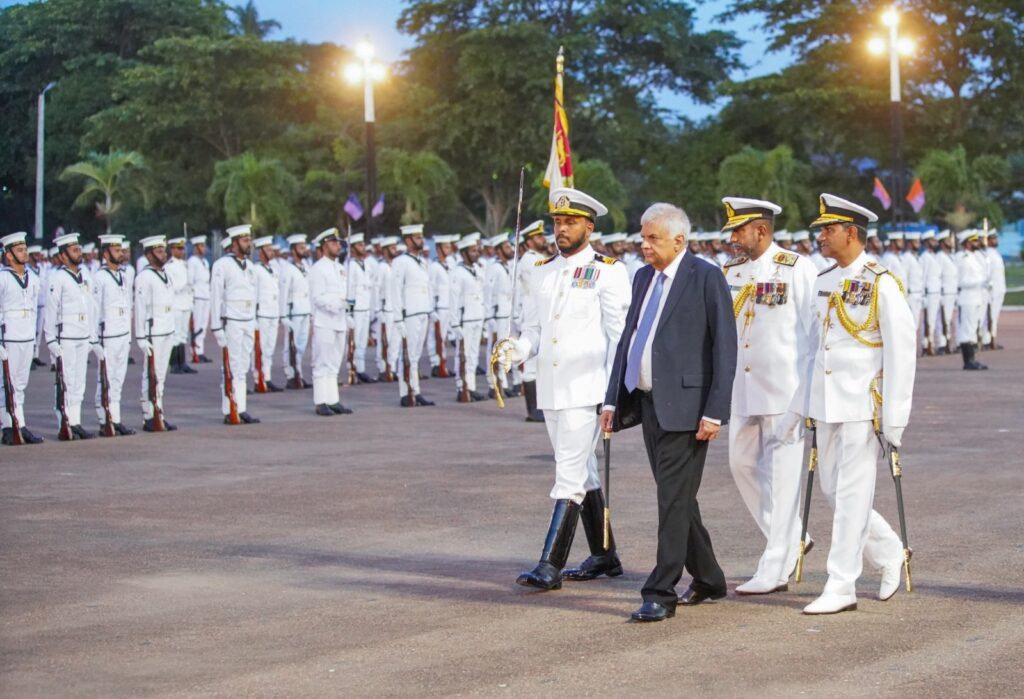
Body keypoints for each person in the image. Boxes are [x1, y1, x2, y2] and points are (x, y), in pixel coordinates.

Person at [600, 202, 736, 622]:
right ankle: (710, 578)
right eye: (642, 237)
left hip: (689, 409)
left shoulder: (706, 276)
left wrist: (716, 410)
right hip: (647, 403)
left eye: (652, 238)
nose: (644, 245)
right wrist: (611, 398)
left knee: (671, 499)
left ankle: (661, 590)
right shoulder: (642, 277)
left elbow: (724, 348)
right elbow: (629, 339)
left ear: (679, 240)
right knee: (679, 498)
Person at [499, 188, 631, 593]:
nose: (561, 229)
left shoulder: (608, 270)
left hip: (586, 389)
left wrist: (613, 396)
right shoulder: (542, 270)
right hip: (552, 389)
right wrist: (516, 349)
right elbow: (534, 331)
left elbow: (618, 338)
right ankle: (605, 555)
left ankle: (550, 564)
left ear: (589, 227)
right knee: (583, 472)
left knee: (569, 475)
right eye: (557, 222)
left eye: (570, 222)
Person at [793, 193, 915, 615]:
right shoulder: (823, 280)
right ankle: (888, 551)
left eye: (828, 229)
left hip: (864, 406)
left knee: (852, 493)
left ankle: (841, 583)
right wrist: (803, 401)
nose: (821, 236)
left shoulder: (882, 281)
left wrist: (894, 419)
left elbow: (901, 353)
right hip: (826, 404)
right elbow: (812, 347)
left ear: (851, 232)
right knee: (833, 489)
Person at [719, 197, 817, 595]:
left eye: (739, 231)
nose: (733, 239)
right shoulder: (730, 271)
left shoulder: (796, 268)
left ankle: (774, 565)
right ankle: (794, 536)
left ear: (761, 230)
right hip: (742, 388)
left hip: (784, 390)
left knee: (783, 478)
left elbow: (815, 331)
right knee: (740, 464)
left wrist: (809, 392)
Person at [44, 232, 101, 440]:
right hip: (66, 336)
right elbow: (50, 310)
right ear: (63, 255)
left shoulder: (85, 276)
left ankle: (75, 422)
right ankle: (64, 422)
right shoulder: (58, 278)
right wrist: (50, 338)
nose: (79, 252)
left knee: (79, 382)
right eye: (74, 250)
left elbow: (92, 308)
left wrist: (92, 337)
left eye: (79, 248)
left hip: (82, 335)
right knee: (65, 381)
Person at [210, 225, 261, 424]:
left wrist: (254, 318)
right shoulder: (222, 265)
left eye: (249, 239)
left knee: (243, 366)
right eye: (245, 240)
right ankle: (229, 408)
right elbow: (215, 296)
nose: (249, 243)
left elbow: (253, 294)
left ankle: (241, 407)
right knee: (231, 366)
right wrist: (216, 326)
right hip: (231, 321)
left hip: (248, 320)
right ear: (235, 243)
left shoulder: (250, 266)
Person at [0, 232, 45, 444]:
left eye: (25, 248)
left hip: (26, 337)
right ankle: (8, 426)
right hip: (9, 337)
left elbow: (35, 312)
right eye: (19, 250)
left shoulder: (33, 279)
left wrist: (35, 338)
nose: (24, 252)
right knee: (5, 384)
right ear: (8, 255)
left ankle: (20, 423)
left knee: (20, 384)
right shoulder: (3, 278)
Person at [91, 234, 135, 435]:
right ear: (106, 253)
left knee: (118, 378)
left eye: (121, 250)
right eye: (116, 250)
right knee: (106, 378)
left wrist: (128, 336)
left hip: (121, 334)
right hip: (107, 335)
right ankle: (104, 419)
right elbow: (94, 310)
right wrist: (94, 340)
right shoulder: (99, 278)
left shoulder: (123, 275)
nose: (121, 253)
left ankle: (115, 419)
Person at [308, 228, 354, 416]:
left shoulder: (341, 268)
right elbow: (318, 298)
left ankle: (333, 399)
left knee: (335, 362)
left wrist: (347, 307)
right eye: (334, 243)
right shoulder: (318, 268)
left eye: (338, 243)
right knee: (322, 362)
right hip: (325, 321)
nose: (338, 246)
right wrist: (339, 304)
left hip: (339, 320)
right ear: (325, 245)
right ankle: (320, 401)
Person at [135, 235, 178, 431]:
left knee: (161, 374)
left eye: (163, 250)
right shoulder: (145, 276)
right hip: (153, 332)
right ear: (149, 255)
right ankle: (149, 415)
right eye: (159, 251)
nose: (163, 254)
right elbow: (140, 308)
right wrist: (141, 336)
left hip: (167, 328)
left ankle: (159, 411)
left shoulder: (166, 274)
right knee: (150, 374)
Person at [391, 224, 435, 407]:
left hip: (422, 311)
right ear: (408, 240)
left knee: (415, 355)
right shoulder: (400, 262)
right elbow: (395, 291)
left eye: (421, 237)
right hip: (409, 314)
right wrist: (398, 318)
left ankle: (415, 391)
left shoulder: (422, 262)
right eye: (417, 237)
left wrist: (430, 309)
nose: (421, 240)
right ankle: (405, 392)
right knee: (408, 355)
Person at [516, 220, 548, 422]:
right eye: (538, 237)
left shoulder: (540, 258)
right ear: (529, 242)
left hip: (540, 315)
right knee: (530, 364)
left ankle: (539, 407)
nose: (543, 239)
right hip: (532, 316)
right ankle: (532, 410)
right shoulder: (529, 260)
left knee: (539, 363)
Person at [448, 234, 487, 402]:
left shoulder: (478, 269)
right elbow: (453, 299)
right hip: (465, 320)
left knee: (473, 354)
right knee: (462, 354)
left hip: (477, 317)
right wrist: (455, 323)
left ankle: (471, 387)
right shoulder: (458, 272)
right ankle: (461, 386)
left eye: (477, 250)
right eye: (472, 251)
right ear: (464, 253)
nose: (476, 253)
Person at [484, 232, 519, 398]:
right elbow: (487, 293)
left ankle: (503, 383)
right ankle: (494, 385)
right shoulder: (495, 268)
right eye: (506, 247)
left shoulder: (507, 266)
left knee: (505, 350)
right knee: (496, 351)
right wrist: (488, 316)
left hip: (507, 314)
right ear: (498, 250)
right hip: (497, 315)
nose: (510, 249)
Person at [279, 234, 313, 389]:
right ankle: (291, 374)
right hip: (293, 310)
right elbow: (283, 292)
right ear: (293, 250)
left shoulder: (306, 265)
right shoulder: (288, 269)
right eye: (301, 247)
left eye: (304, 246)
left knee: (301, 344)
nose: (304, 250)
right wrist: (283, 314)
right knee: (290, 344)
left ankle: (299, 372)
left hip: (305, 309)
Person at [252, 236, 283, 392]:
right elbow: (254, 294)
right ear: (261, 252)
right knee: (261, 347)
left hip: (273, 312)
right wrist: (254, 315)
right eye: (268, 249)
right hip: (262, 313)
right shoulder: (256, 270)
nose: (272, 252)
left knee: (270, 348)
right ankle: (258, 378)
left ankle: (267, 377)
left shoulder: (274, 270)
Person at [955, 229, 988, 370]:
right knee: (966, 329)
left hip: (977, 297)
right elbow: (960, 281)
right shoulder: (961, 258)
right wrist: (978, 282)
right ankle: (967, 360)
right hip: (967, 296)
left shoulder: (976, 257)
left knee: (973, 328)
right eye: (974, 241)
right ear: (967, 243)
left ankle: (972, 359)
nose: (977, 242)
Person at [346, 233, 376, 384]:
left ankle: (361, 369)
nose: (363, 247)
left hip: (365, 307)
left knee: (363, 341)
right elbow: (349, 289)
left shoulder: (366, 264)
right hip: (356, 308)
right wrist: (349, 311)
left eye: (363, 244)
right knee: (355, 341)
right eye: (359, 245)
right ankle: (352, 368)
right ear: (352, 248)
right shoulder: (351, 266)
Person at [166, 236, 197, 375]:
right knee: (176, 334)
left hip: (186, 303)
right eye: (178, 248)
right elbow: (172, 287)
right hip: (176, 304)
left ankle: (182, 362)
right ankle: (174, 364)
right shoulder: (169, 267)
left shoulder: (185, 264)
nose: (181, 251)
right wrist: (184, 285)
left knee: (184, 334)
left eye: (182, 248)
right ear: (172, 249)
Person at [428, 234, 456, 379]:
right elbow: (430, 289)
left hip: (448, 305)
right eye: (446, 247)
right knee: (435, 335)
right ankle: (435, 363)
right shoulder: (434, 267)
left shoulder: (450, 265)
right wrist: (431, 308)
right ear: (439, 249)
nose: (449, 249)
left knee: (443, 336)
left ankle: (442, 363)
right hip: (439, 307)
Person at [187, 235, 212, 363]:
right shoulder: (192, 261)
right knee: (196, 325)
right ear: (196, 248)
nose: (204, 248)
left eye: (204, 245)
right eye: (201, 246)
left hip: (206, 295)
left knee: (203, 324)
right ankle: (195, 351)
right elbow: (190, 281)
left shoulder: (205, 262)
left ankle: (200, 350)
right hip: (196, 296)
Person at [982, 230, 1005, 349]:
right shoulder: (988, 255)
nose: (996, 240)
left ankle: (992, 337)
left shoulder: (995, 253)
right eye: (993, 238)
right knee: (990, 316)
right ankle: (987, 340)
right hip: (993, 290)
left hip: (999, 289)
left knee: (994, 316)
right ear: (988, 240)